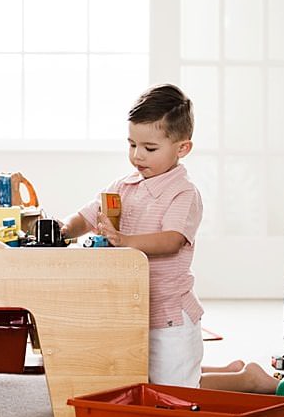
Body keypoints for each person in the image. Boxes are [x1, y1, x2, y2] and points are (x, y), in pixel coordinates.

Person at [64, 84, 204, 385]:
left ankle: (248, 381)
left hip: (169, 318)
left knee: (179, 391)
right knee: (136, 382)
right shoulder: (124, 186)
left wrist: (126, 242)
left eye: (149, 149)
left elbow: (172, 239)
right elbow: (87, 215)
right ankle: (242, 376)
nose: (137, 156)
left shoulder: (183, 193)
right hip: (128, 311)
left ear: (182, 148)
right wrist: (63, 229)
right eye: (132, 145)